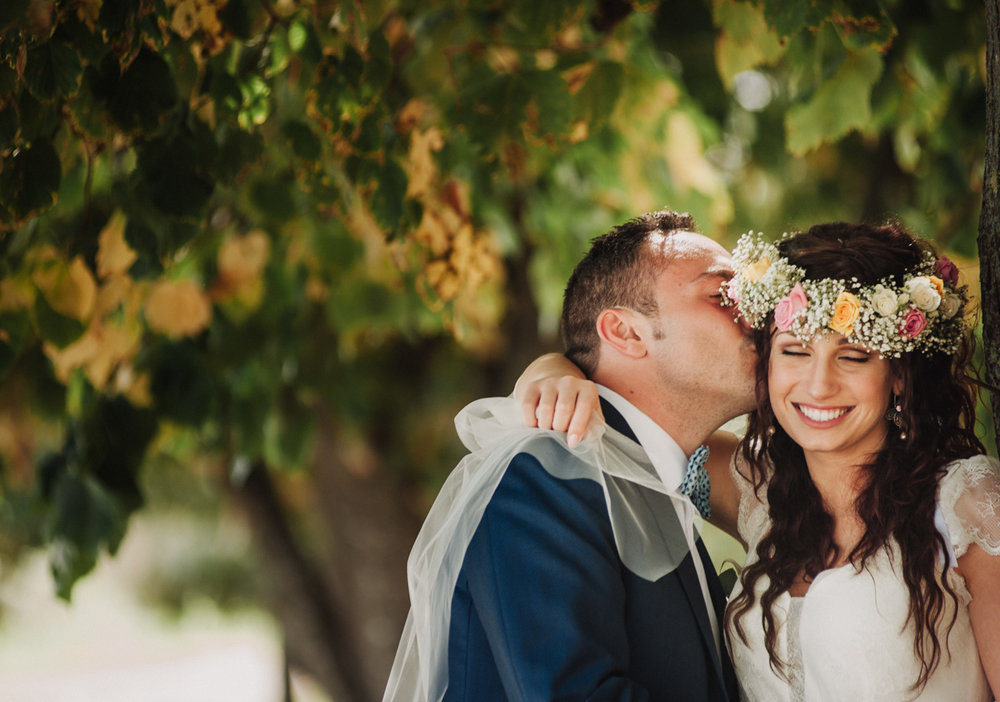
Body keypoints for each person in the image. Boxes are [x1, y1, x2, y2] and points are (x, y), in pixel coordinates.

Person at [517, 221, 1000, 700]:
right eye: (794, 351)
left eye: (853, 357)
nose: (818, 386)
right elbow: (646, 434)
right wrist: (553, 368)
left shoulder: (965, 504)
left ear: (898, 375)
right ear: (767, 361)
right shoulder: (757, 487)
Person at [383, 210, 752, 701]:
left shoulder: (668, 478)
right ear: (625, 333)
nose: (757, 313)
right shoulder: (546, 475)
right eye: (721, 294)